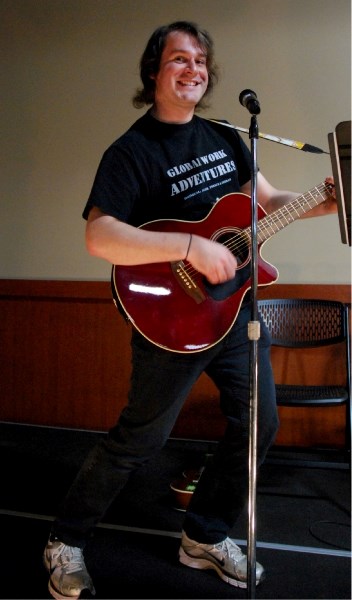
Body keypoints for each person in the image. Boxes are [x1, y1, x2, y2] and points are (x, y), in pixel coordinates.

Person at [43, 20, 337, 599]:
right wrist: (189, 245)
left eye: (201, 61)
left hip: (234, 315)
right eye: (180, 59)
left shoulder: (226, 137)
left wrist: (323, 202)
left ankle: (202, 535)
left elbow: (265, 202)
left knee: (258, 426)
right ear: (154, 72)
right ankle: (65, 541)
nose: (194, 69)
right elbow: (100, 236)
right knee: (139, 441)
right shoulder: (132, 151)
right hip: (170, 320)